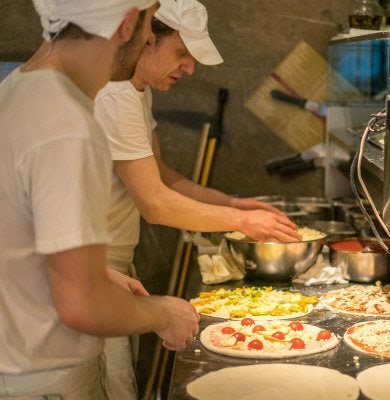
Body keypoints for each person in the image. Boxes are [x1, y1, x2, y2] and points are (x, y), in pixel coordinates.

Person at [0, 1, 200, 399]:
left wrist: (93, 273)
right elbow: (82, 306)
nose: (149, 40)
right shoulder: (66, 123)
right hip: (41, 382)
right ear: (124, 25)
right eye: (148, 32)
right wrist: (163, 312)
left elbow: (12, 236)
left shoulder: (12, 90)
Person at [93, 0, 300, 397]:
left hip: (116, 266)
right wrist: (241, 223)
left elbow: (164, 177)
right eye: (182, 53)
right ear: (147, 38)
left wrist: (235, 205)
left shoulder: (135, 92)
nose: (189, 68)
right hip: (91, 272)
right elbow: (155, 204)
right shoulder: (114, 97)